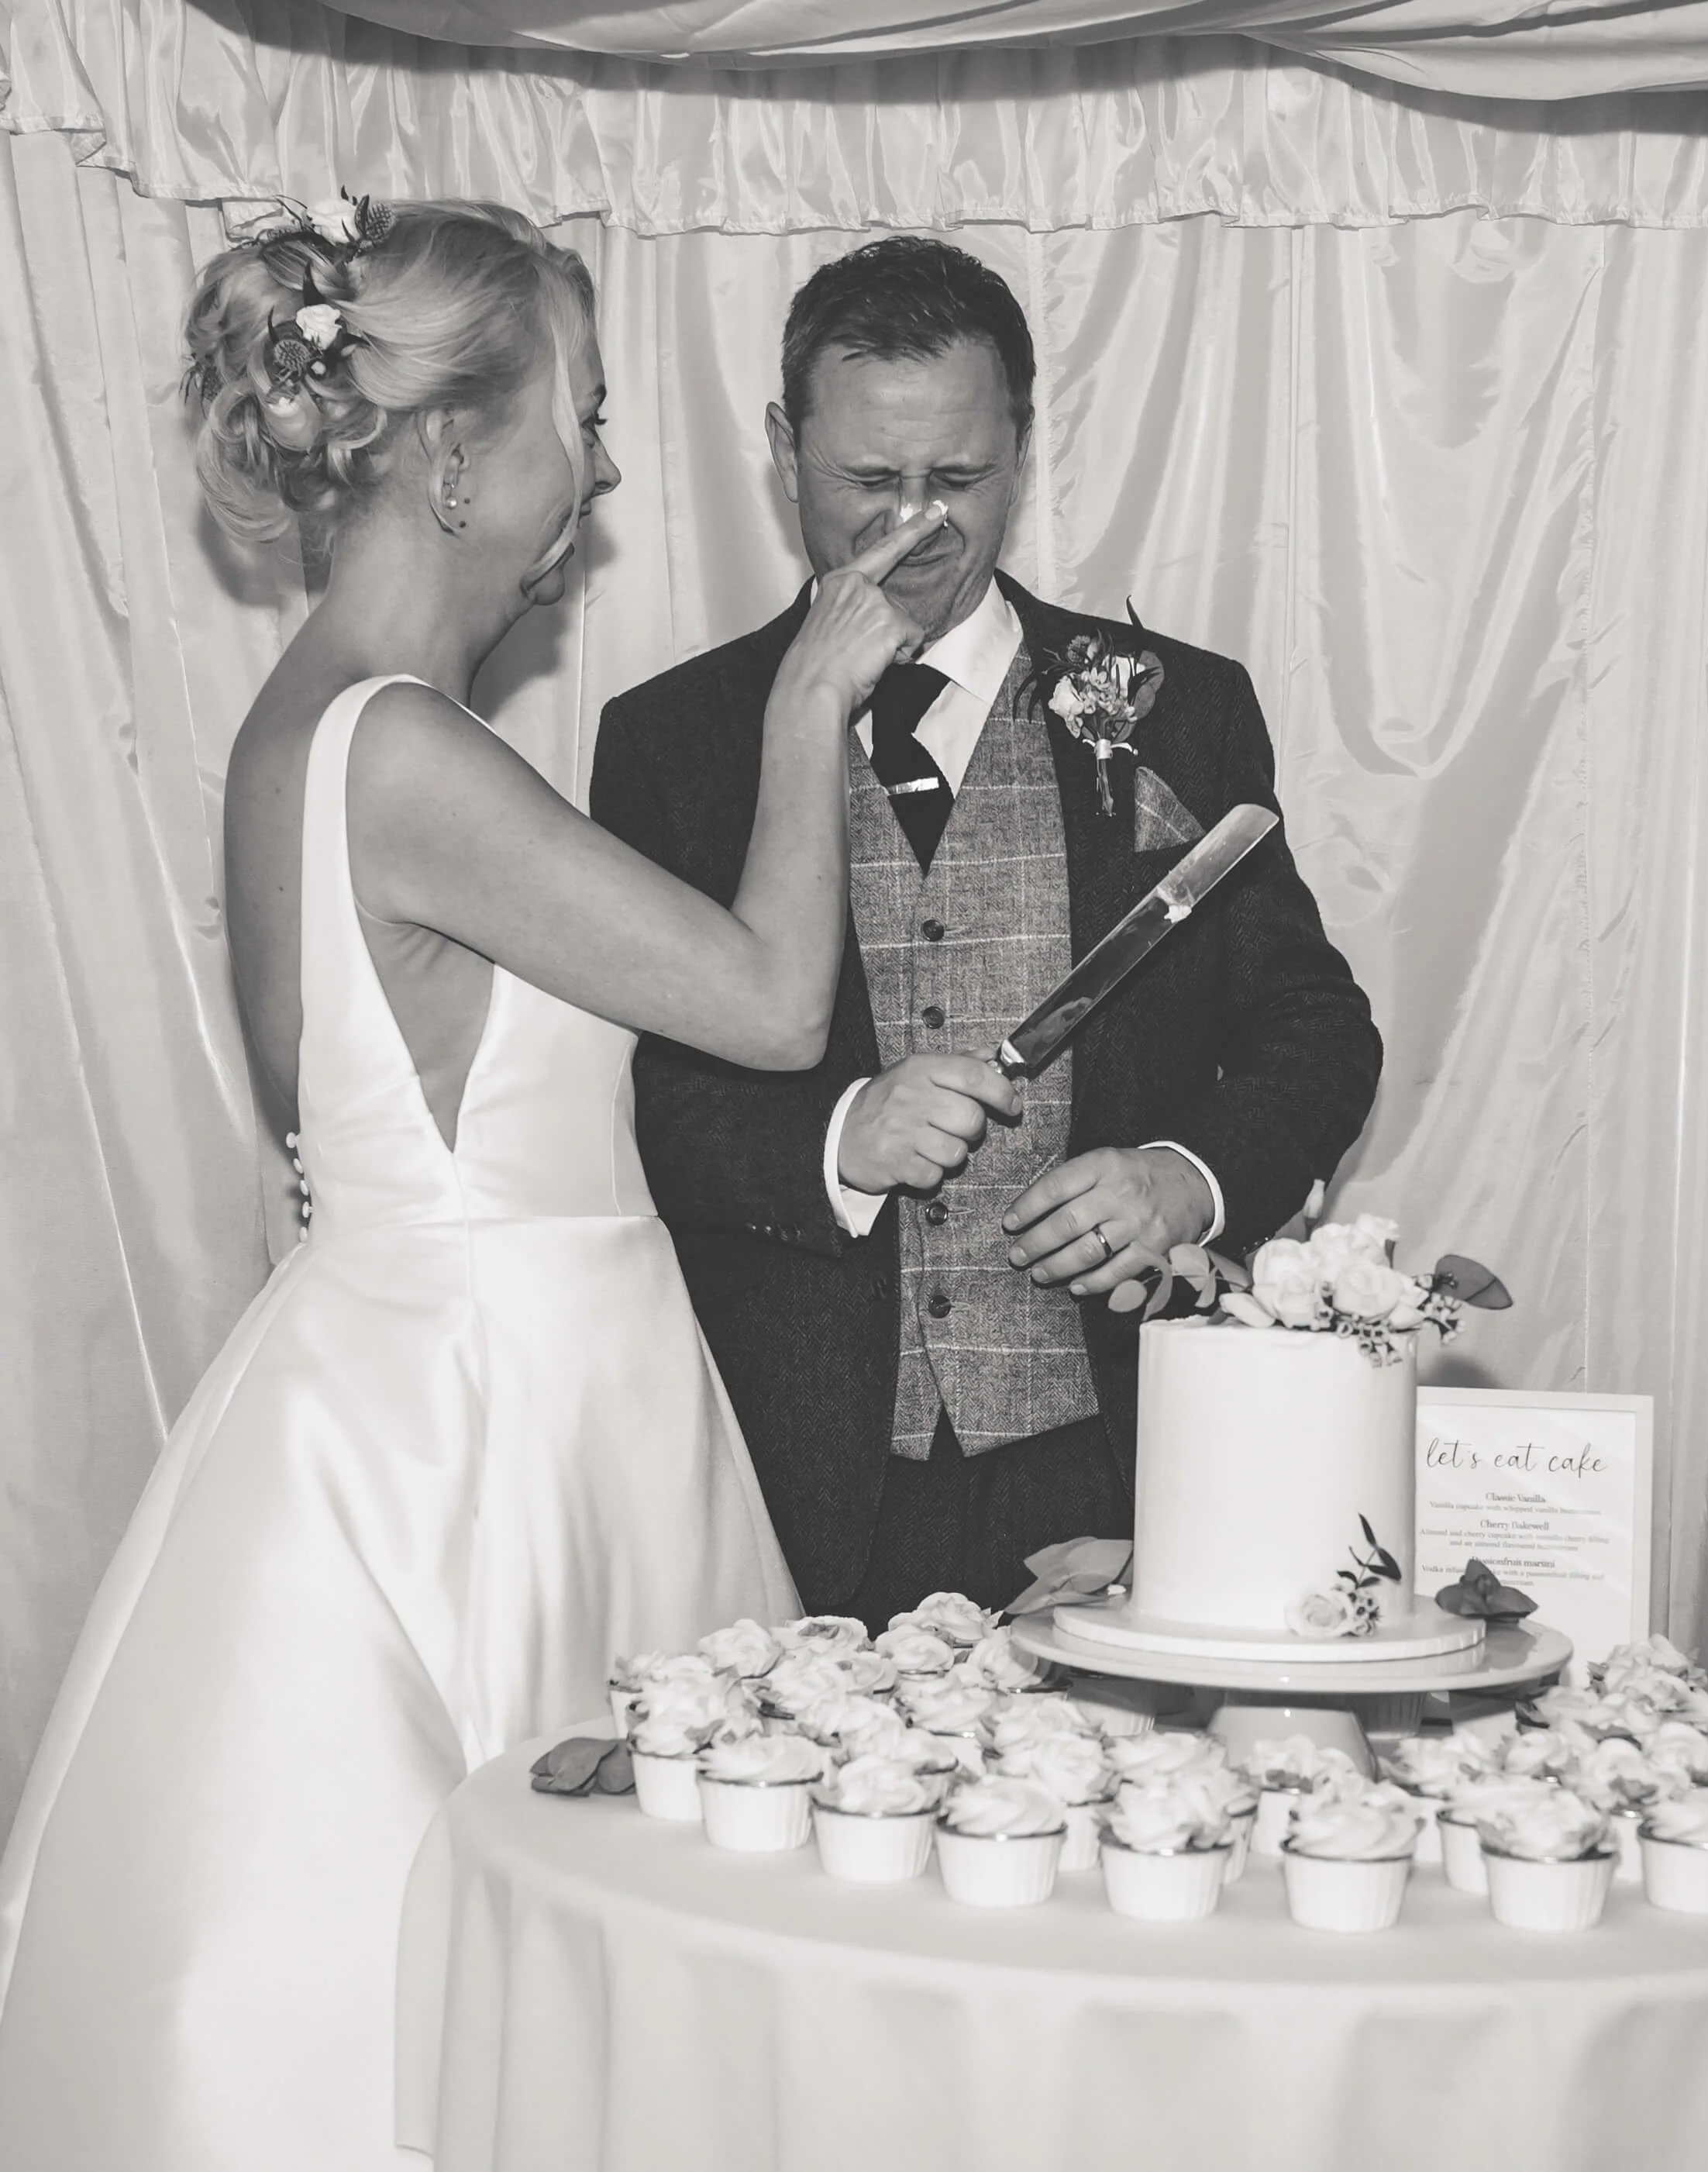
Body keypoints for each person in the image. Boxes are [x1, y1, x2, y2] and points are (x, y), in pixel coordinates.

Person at [0, 198, 939, 2172]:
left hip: (418, 1368)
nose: (596, 474)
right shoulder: (408, 752)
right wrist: (805, 702)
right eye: (579, 420)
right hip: (500, 1423)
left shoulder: (303, 739)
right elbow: (773, 1010)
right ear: (447, 453)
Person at [592, 236, 1384, 1629]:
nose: (913, 525)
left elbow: (1319, 1032)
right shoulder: (671, 742)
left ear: (1023, 447)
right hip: (798, 1463)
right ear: (785, 449)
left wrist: (1186, 1175)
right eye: (867, 481)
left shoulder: (1178, 708)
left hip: (1121, 1448)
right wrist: (834, 1139)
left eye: (957, 479)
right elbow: (639, 1106)